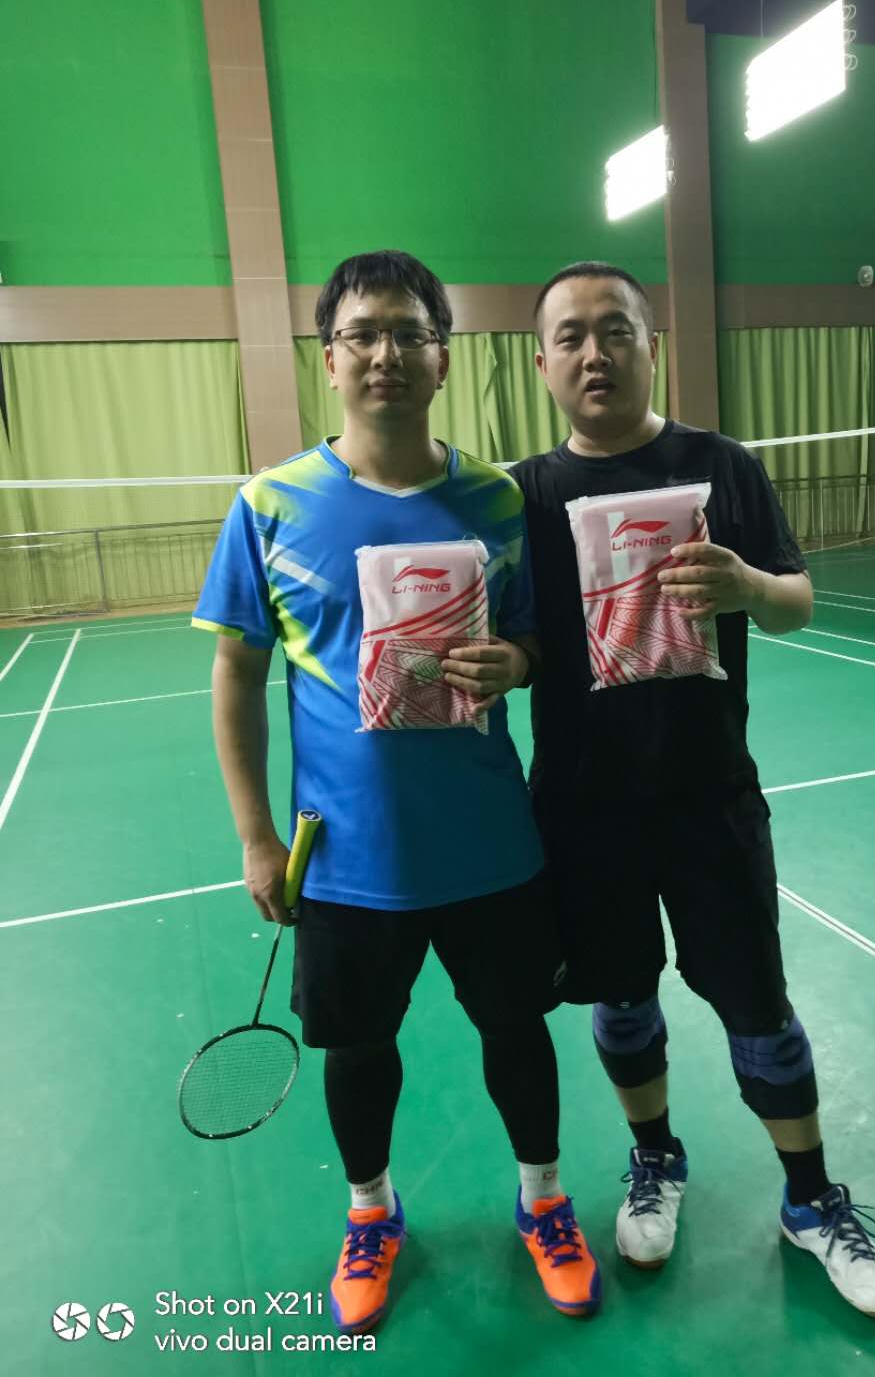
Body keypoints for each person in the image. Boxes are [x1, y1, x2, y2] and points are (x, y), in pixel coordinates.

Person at [192, 250, 599, 1336]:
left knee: (517, 1029)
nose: (386, 353)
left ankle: (545, 1201)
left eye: (409, 333)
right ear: (329, 360)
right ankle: (370, 1213)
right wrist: (255, 839)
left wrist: (519, 662)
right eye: (361, 334)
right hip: (346, 858)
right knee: (359, 1048)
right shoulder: (269, 505)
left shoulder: (498, 501)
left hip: (491, 846)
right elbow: (235, 674)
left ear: (442, 357)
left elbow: (537, 639)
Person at [512, 261, 875, 1320]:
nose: (595, 351)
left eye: (616, 329)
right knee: (621, 997)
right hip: (584, 811)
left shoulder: (722, 466)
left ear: (653, 346)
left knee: (758, 1009)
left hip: (709, 798)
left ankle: (812, 1201)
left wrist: (747, 585)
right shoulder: (525, 495)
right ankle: (656, 1159)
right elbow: (520, 641)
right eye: (571, 336)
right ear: (541, 363)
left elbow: (797, 601)